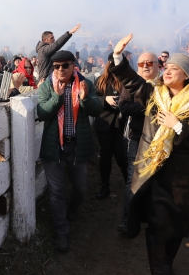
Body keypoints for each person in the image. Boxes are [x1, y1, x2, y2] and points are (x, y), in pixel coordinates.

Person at [110, 34, 189, 275]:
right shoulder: (153, 95)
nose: (166, 71)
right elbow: (131, 81)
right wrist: (118, 56)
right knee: (156, 225)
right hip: (153, 171)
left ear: (188, 76)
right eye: (166, 68)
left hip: (182, 177)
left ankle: (168, 262)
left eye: (174, 69)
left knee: (177, 225)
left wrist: (178, 126)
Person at [36, 50, 103, 252]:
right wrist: (56, 96)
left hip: (76, 144)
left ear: (74, 65)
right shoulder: (47, 85)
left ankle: (73, 210)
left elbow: (96, 110)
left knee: (80, 187)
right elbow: (43, 113)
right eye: (56, 66)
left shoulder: (84, 84)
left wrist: (85, 99)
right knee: (56, 191)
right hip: (54, 146)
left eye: (65, 65)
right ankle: (62, 231)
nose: (60, 70)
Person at [116, 51, 159, 233]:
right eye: (142, 64)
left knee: (157, 180)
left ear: (159, 65)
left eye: (150, 62)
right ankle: (129, 220)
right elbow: (123, 106)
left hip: (161, 139)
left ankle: (154, 219)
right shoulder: (131, 84)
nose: (146, 66)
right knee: (132, 179)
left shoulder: (166, 85)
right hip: (138, 136)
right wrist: (150, 108)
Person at [93, 53, 128, 200]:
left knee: (121, 156)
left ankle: (129, 183)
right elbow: (92, 99)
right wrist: (104, 100)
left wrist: (123, 102)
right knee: (106, 155)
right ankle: (104, 186)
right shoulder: (100, 80)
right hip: (104, 123)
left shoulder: (127, 80)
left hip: (122, 123)